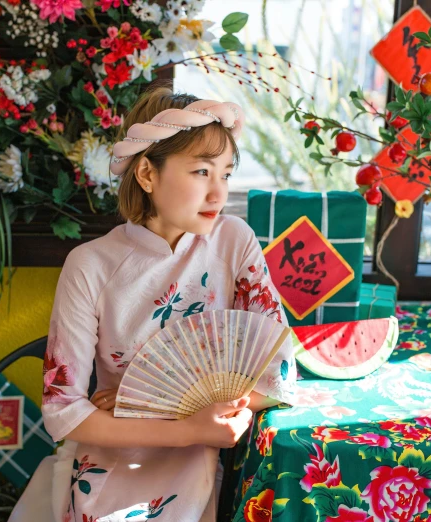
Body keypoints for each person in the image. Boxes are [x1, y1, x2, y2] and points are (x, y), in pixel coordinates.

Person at [38, 86, 297, 522]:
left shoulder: (234, 242)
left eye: (226, 175)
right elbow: (63, 411)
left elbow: (279, 373)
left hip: (206, 454)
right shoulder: (88, 266)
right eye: (201, 172)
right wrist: (184, 428)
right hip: (115, 453)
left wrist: (182, 416)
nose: (219, 194)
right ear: (146, 174)